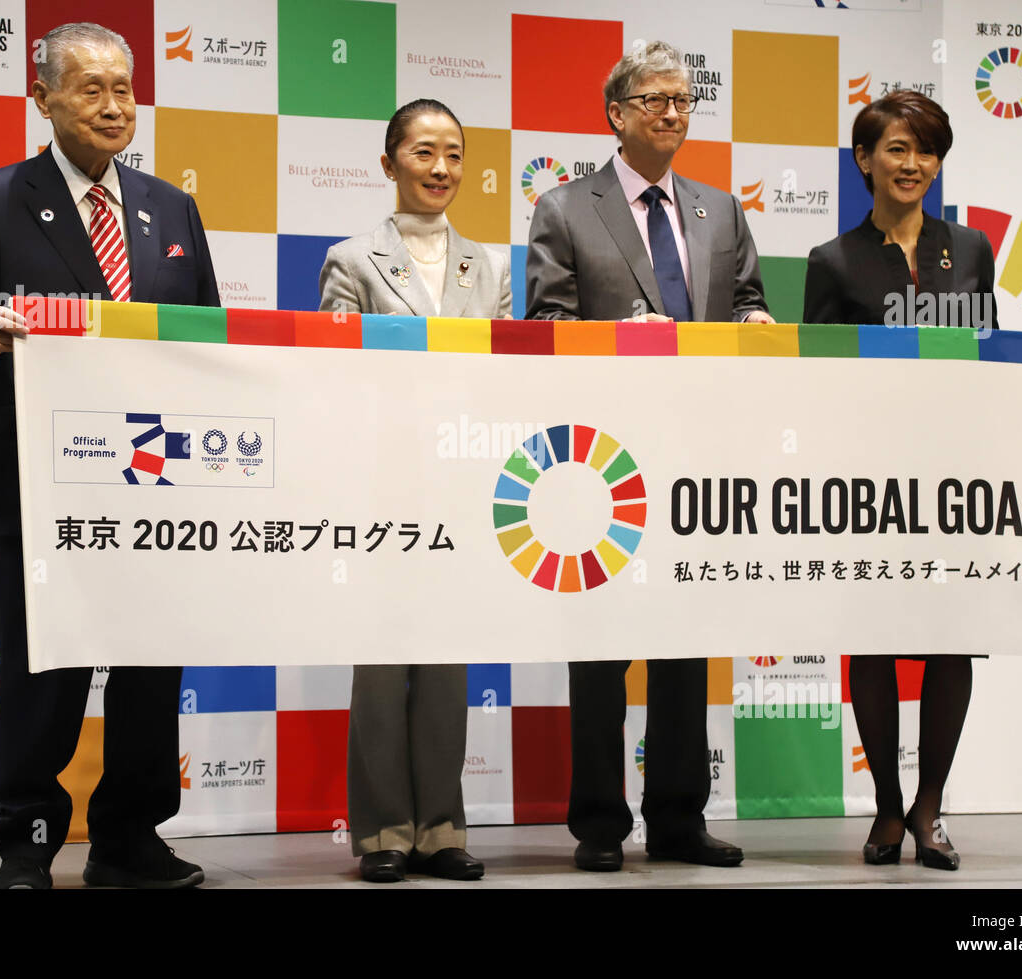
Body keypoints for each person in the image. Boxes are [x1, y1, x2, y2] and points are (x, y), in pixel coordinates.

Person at [0, 22, 219, 889]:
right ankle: (26, 841)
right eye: (89, 88)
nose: (113, 105)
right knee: (39, 662)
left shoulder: (173, 209)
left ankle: (130, 838)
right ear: (42, 98)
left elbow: (205, 339)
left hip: (157, 481)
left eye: (124, 88)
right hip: (41, 481)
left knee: (147, 665)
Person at [803, 90, 1022, 870]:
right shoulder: (830, 263)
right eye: (897, 149)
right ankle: (884, 809)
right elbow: (812, 382)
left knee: (951, 644)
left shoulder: (970, 249)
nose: (913, 165)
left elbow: (992, 362)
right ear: (864, 159)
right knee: (871, 643)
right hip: (869, 485)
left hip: (954, 481)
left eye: (927, 150)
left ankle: (930, 808)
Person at [526, 40, 773, 873]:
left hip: (696, 454)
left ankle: (677, 819)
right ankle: (599, 823)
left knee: (683, 643)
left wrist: (753, 324)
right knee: (599, 649)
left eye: (683, 100)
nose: (673, 113)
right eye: (656, 100)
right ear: (617, 114)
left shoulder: (719, 208)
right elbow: (546, 327)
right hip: (596, 464)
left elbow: (747, 302)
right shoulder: (565, 207)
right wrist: (610, 342)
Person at [319, 98, 512, 883]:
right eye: (425, 152)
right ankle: (382, 833)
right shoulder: (352, 259)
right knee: (382, 662)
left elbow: (503, 375)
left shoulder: (488, 263)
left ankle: (441, 827)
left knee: (445, 662)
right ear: (389, 161)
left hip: (464, 481)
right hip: (380, 482)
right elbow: (336, 373)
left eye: (455, 155)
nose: (441, 169)